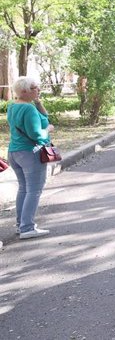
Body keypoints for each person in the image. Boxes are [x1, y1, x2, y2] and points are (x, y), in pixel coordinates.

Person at [8, 77, 54, 240]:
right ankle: (27, 227)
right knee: (34, 189)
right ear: (24, 91)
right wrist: (48, 130)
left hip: (14, 152)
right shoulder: (28, 109)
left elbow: (44, 117)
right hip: (31, 152)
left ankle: (22, 225)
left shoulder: (13, 106)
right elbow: (36, 133)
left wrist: (38, 102)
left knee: (24, 188)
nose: (38, 89)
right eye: (35, 87)